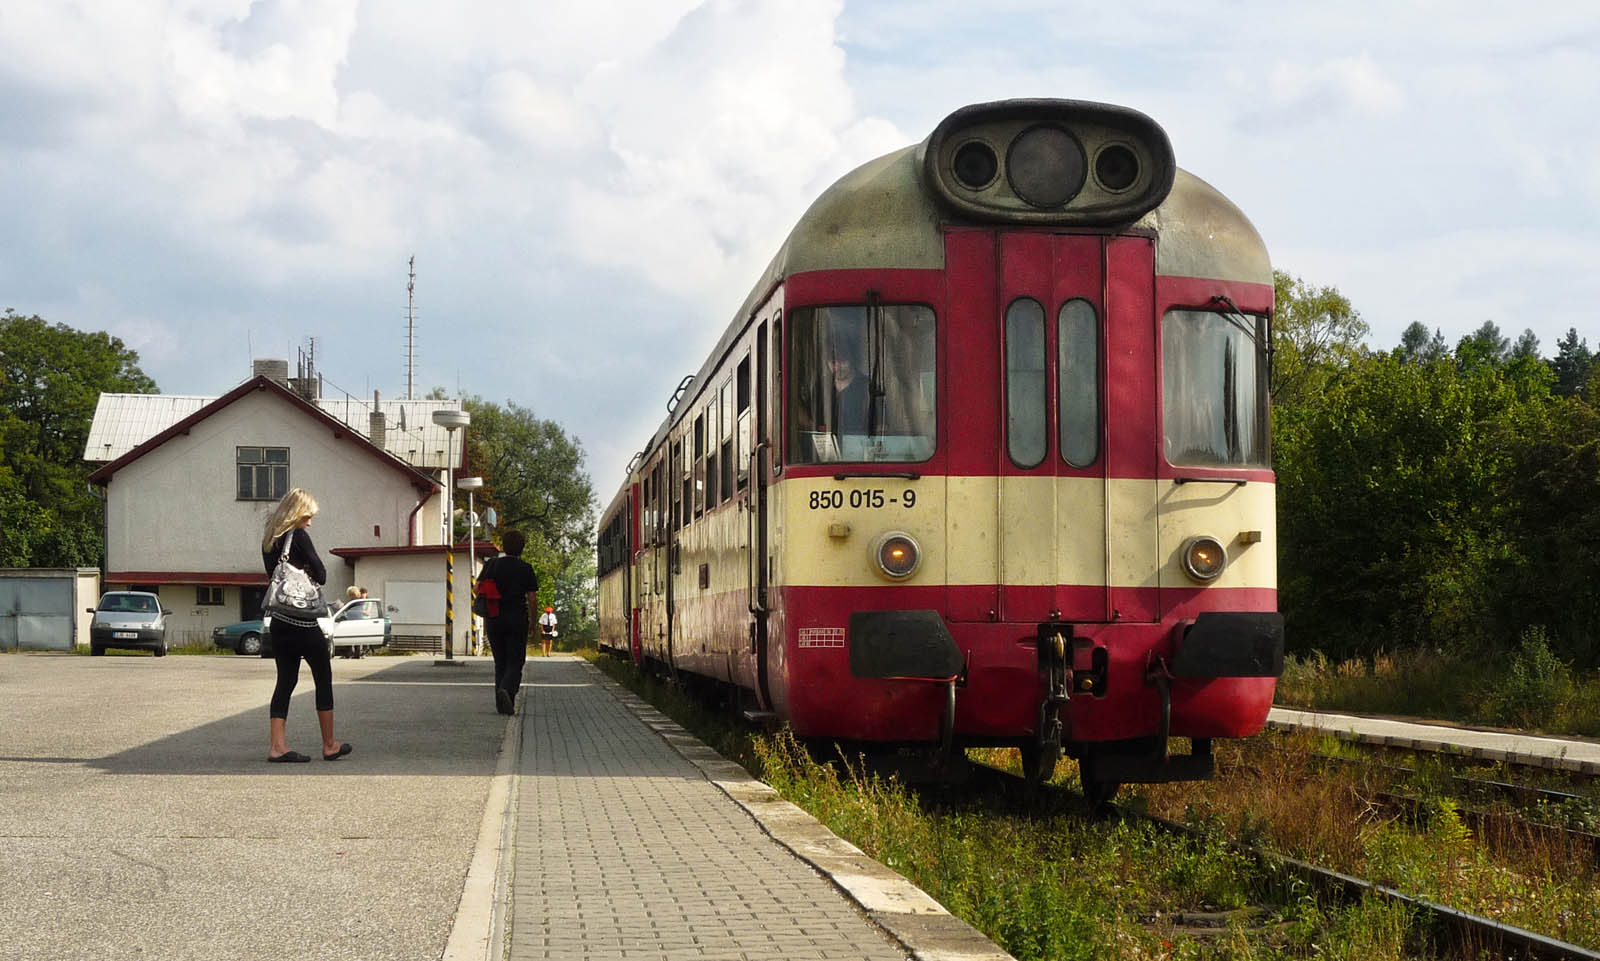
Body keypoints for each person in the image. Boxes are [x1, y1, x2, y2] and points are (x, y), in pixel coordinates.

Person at [260, 488, 352, 763]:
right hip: (303, 623)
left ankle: (277, 746)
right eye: (308, 516)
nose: (310, 522)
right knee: (323, 677)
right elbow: (321, 574)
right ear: (297, 513)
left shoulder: (269, 539)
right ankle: (329, 744)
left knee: (285, 681)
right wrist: (310, 571)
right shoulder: (298, 536)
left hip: (279, 622)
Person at [482, 529, 538, 715]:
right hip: (516, 619)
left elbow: (477, 588)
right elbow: (532, 598)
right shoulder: (526, 568)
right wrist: (534, 622)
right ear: (522, 548)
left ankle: (501, 704)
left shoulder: (492, 565)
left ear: (504, 547)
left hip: (494, 618)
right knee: (515, 661)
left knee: (500, 662)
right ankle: (507, 691)